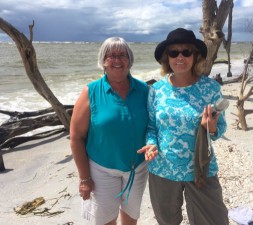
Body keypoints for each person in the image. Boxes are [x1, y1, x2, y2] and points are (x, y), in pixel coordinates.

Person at [138, 28, 229, 225]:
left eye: (186, 52)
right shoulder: (157, 90)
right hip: (162, 168)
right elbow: (152, 127)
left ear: (195, 56)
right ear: (167, 58)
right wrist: (152, 144)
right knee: (167, 221)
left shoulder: (210, 88)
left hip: (201, 168)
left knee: (215, 220)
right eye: (174, 52)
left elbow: (220, 127)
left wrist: (211, 128)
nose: (180, 57)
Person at [70, 37, 149, 225]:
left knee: (131, 217)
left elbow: (154, 127)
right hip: (101, 170)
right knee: (105, 220)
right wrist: (84, 178)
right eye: (111, 55)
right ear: (103, 61)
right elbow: (76, 137)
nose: (117, 60)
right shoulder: (91, 92)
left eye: (122, 55)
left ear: (129, 60)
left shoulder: (144, 90)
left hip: (137, 168)